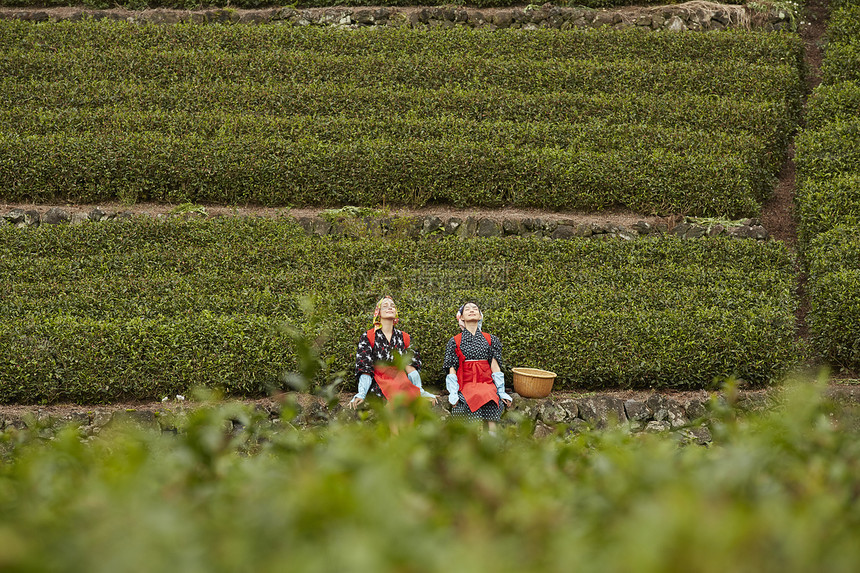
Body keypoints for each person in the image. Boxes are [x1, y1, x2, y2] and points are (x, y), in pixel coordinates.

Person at [350, 296, 437, 409]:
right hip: (378, 382)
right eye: (385, 306)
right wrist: (361, 393)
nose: (389, 308)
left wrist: (419, 390)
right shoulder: (368, 337)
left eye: (392, 306)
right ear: (378, 312)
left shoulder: (405, 337)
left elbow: (410, 367)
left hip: (401, 381)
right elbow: (365, 367)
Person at [444, 302, 512, 429]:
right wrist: (453, 392)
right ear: (461, 317)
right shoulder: (454, 341)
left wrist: (501, 391)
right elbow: (451, 367)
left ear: (480, 316)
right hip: (466, 383)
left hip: (486, 382)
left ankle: (492, 437)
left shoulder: (491, 339)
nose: (472, 310)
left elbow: (495, 366)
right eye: (467, 309)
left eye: (475, 309)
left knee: (492, 399)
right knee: (468, 401)